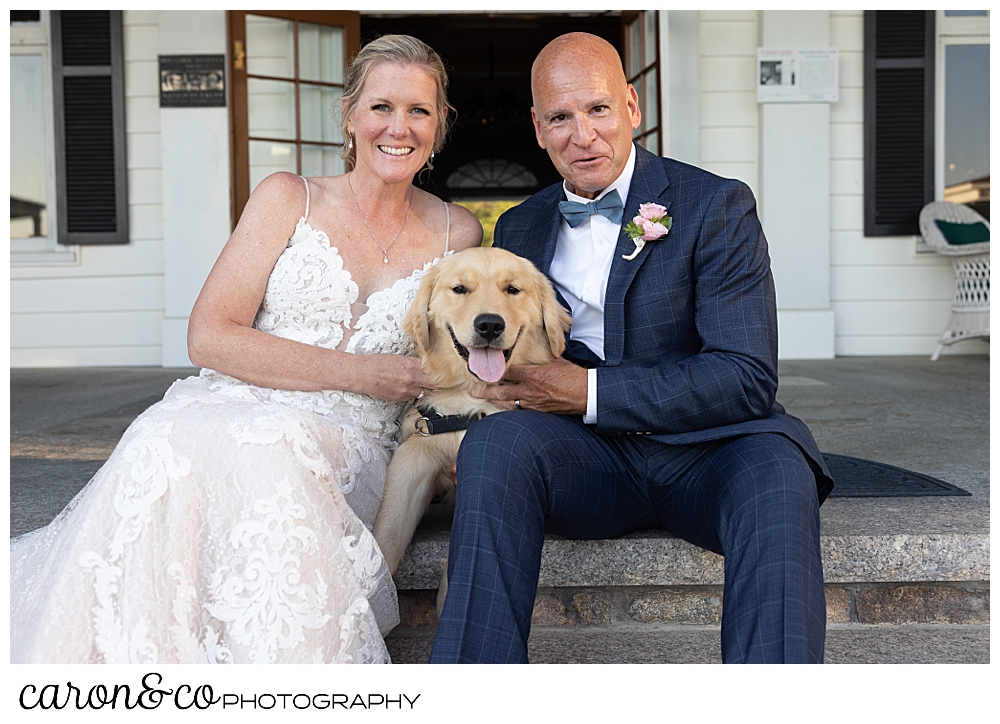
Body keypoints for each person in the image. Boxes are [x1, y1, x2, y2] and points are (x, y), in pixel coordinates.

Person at [9, 34, 482, 664]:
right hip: (235, 402)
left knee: (275, 455)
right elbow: (208, 334)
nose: (399, 127)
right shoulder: (288, 197)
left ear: (440, 123)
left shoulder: (459, 230)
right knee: (163, 438)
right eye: (381, 107)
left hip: (349, 442)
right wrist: (361, 371)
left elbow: (466, 352)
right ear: (348, 115)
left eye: (419, 111)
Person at [429, 32, 834, 664]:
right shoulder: (519, 226)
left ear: (632, 108)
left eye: (597, 109)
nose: (581, 135)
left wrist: (586, 392)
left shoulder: (715, 205)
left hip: (711, 448)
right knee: (493, 446)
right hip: (585, 459)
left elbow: (747, 377)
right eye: (560, 117)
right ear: (538, 128)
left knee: (780, 474)